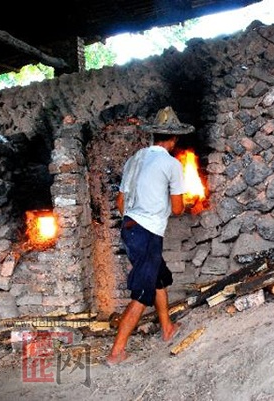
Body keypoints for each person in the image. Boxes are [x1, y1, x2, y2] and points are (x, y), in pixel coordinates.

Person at [106, 106, 195, 365]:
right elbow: (177, 209)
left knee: (158, 279)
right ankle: (116, 352)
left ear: (154, 135)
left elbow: (120, 202)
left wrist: (138, 215)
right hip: (147, 233)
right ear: (174, 138)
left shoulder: (135, 159)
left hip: (130, 228)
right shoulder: (171, 164)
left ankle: (167, 328)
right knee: (142, 293)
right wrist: (182, 203)